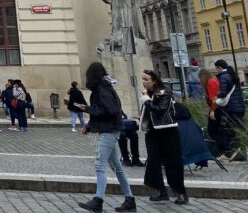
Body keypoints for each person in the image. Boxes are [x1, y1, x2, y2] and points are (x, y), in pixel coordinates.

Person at [76, 62, 136, 212]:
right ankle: (130, 199)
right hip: (111, 128)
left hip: (110, 130)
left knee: (99, 164)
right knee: (117, 167)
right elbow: (106, 111)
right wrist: (88, 126)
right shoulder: (105, 86)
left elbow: (109, 110)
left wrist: (88, 109)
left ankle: (98, 200)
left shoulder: (101, 89)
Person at [139, 69, 186, 205]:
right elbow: (149, 113)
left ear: (154, 80)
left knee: (173, 162)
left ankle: (180, 193)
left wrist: (147, 101)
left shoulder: (163, 92)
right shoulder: (147, 93)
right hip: (152, 132)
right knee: (153, 161)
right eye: (142, 79)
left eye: (146, 79)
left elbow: (160, 111)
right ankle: (161, 191)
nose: (143, 82)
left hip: (168, 131)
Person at [213, 58, 246, 160]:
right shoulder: (232, 75)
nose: (216, 71)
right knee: (240, 131)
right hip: (239, 107)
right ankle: (240, 153)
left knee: (229, 131)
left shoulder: (223, 77)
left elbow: (223, 92)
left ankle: (230, 154)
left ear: (219, 67)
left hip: (231, 108)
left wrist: (216, 96)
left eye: (216, 68)